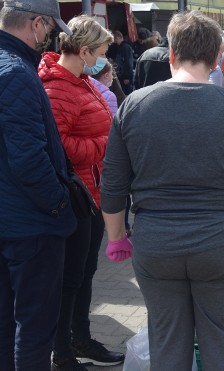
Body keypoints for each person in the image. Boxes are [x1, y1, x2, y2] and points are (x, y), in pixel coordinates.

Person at [100, 11, 224, 370]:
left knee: (167, 340)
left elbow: (113, 184)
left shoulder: (133, 106)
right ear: (217, 57)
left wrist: (116, 237)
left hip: (156, 244)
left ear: (171, 54)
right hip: (220, 244)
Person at [38, 15, 124, 370]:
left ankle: (80, 338)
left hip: (92, 193)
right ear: (85, 50)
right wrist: (106, 145)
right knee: (71, 278)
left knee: (85, 273)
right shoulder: (58, 86)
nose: (104, 59)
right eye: (102, 51)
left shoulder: (81, 81)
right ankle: (63, 351)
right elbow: (57, 145)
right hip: (75, 195)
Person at [0, 1, 77, 369]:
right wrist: (59, 205)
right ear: (37, 22)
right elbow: (28, 158)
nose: (50, 37)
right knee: (34, 326)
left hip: (14, 216)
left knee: (7, 323)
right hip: (28, 222)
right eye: (49, 29)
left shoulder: (13, 66)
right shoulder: (16, 71)